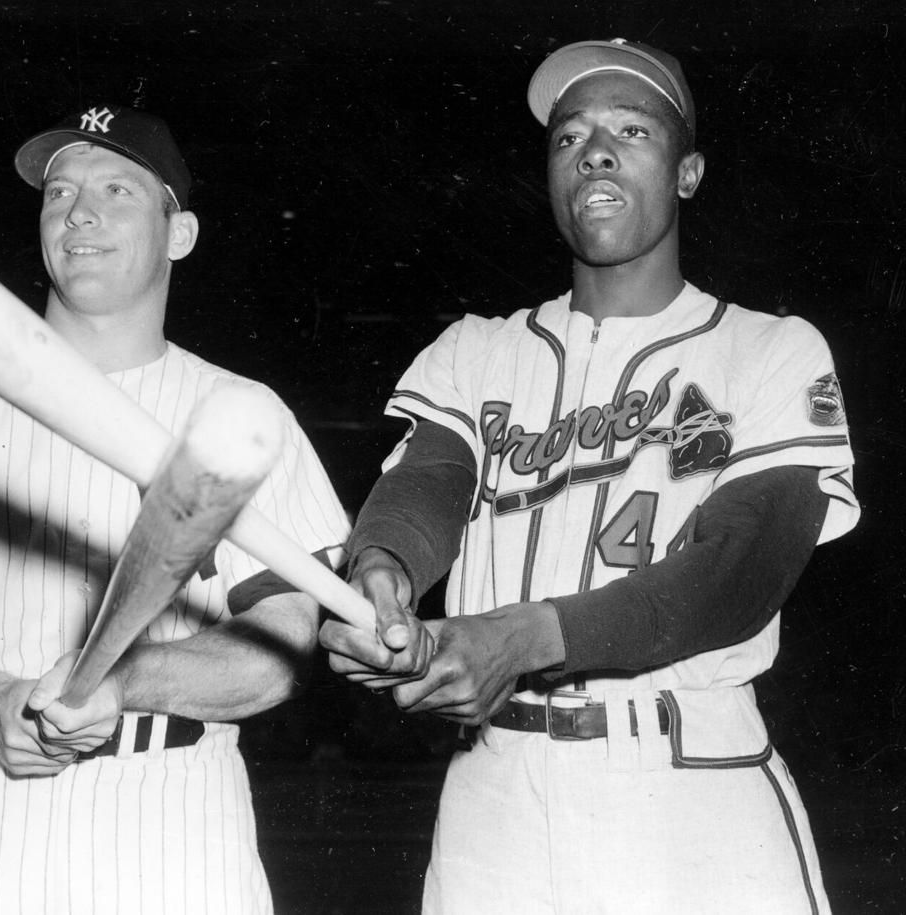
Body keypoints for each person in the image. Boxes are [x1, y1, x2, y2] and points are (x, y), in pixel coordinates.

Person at [320, 38, 859, 914]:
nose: (595, 150)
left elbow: (738, 572)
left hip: (686, 782)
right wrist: (378, 579)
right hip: (495, 792)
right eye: (570, 137)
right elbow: (427, 483)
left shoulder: (768, 347)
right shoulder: (480, 349)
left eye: (632, 130)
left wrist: (526, 637)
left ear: (687, 174)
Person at [0, 102, 351, 915]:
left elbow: (285, 643)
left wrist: (127, 681)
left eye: (118, 189)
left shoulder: (240, 411)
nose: (79, 210)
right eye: (59, 193)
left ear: (179, 233)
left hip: (175, 816)